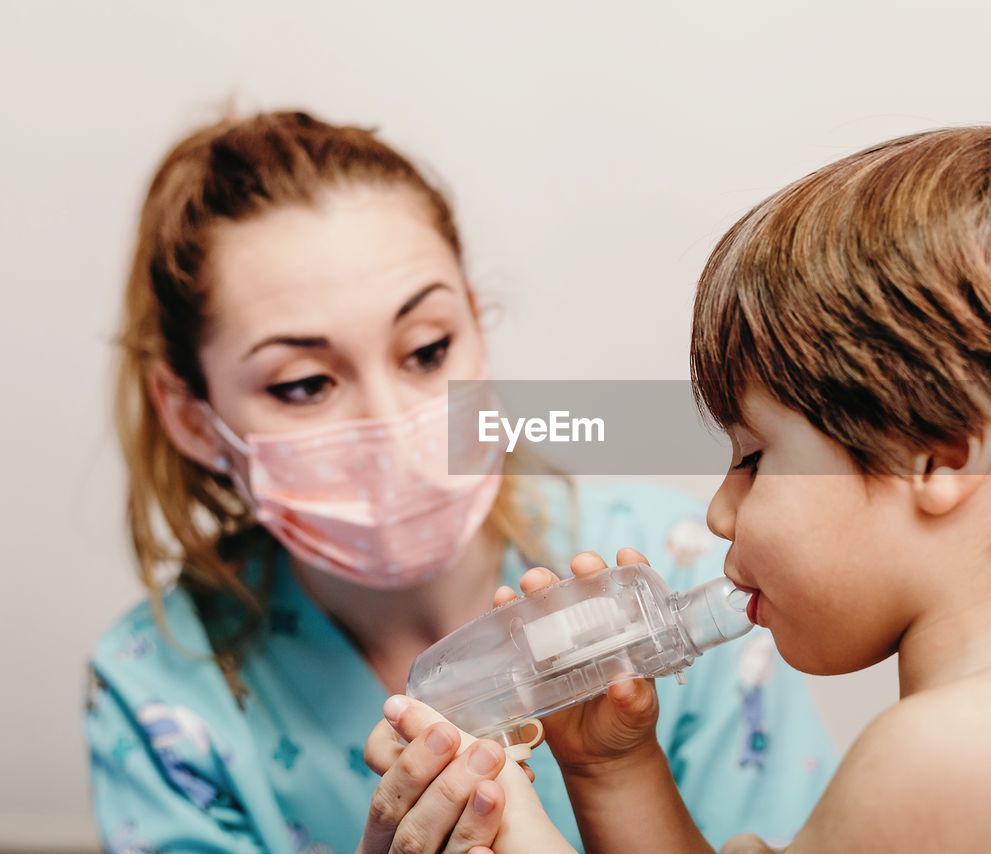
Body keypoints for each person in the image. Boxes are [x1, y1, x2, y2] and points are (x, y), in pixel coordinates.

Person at [367, 125, 991, 852]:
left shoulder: (957, 753)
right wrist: (611, 767)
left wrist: (506, 826)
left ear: (937, 460)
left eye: (754, 459)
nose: (718, 511)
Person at [84, 109, 835, 854]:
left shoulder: (684, 565)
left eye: (427, 348)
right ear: (190, 418)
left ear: (476, 324)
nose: (396, 430)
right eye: (305, 384)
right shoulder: (160, 694)